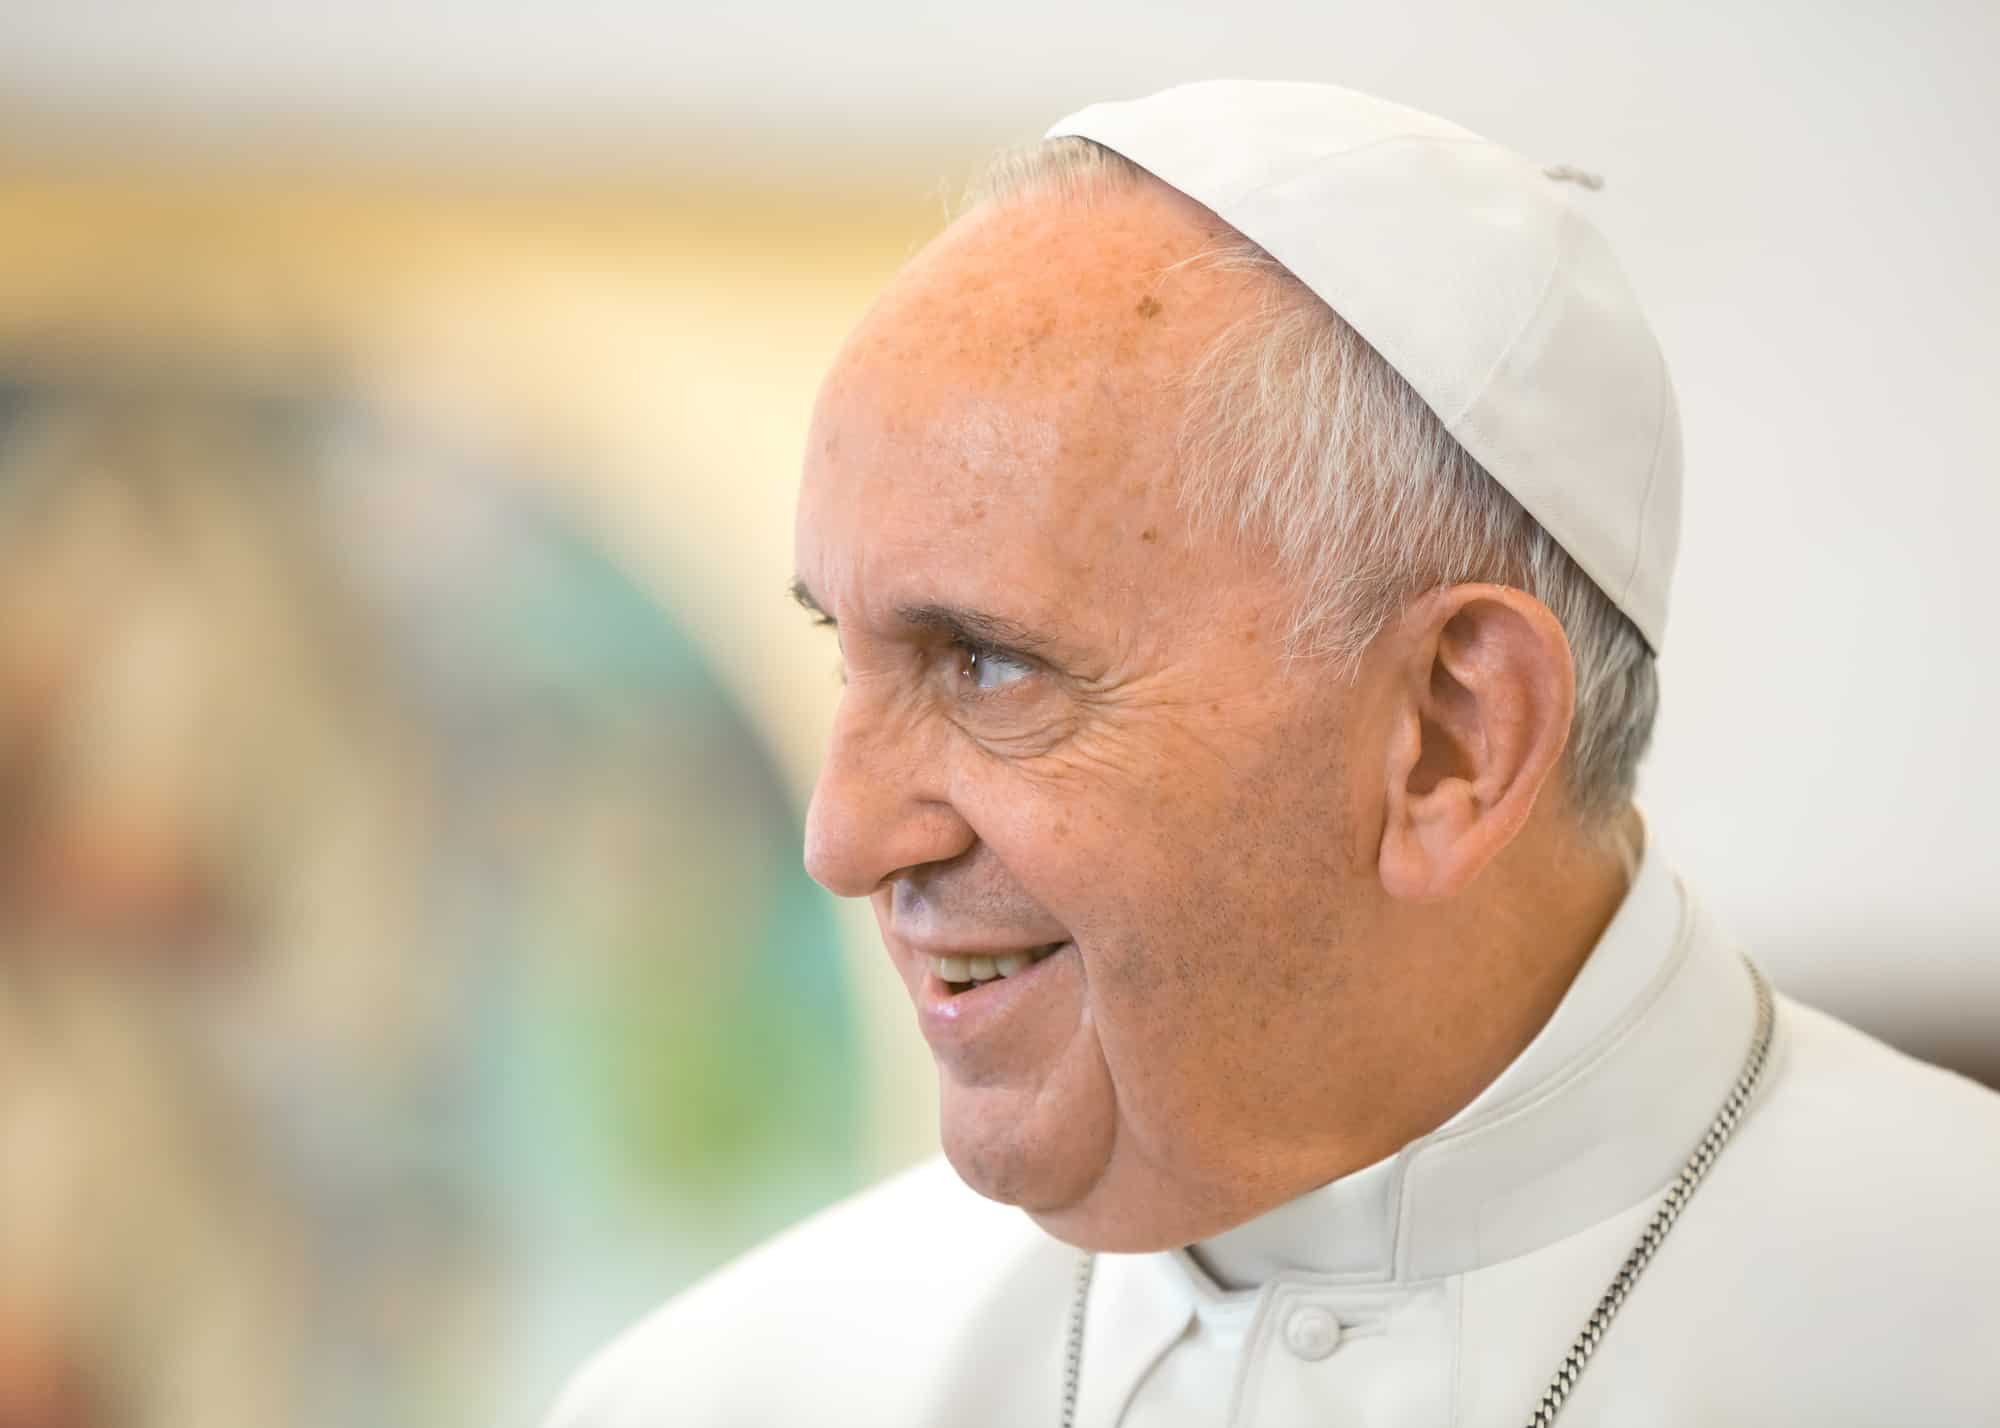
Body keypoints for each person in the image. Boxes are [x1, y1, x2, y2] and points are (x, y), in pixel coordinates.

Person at [544, 80, 2000, 1426]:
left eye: (987, 666)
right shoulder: (717, 1391)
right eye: (845, 655)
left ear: (1451, 739)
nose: (844, 838)